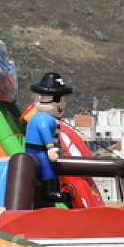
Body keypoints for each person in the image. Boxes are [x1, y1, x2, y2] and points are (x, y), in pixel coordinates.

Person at [25, 72, 74, 207]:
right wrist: (50, 148)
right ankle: (49, 192)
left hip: (42, 150)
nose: (62, 104)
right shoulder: (42, 118)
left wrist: (56, 148)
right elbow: (44, 132)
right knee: (47, 169)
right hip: (38, 151)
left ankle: (52, 189)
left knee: (51, 168)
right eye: (60, 100)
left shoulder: (48, 118)